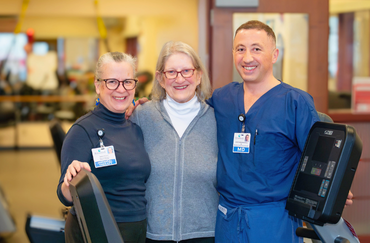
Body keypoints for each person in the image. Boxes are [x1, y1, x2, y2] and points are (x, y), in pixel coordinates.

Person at [207, 20, 353, 243]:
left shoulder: (295, 102)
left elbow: (319, 157)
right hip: (228, 218)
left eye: (256, 49)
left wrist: (336, 188)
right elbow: (189, 115)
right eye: (240, 49)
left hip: (274, 219)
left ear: (274, 55)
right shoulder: (222, 98)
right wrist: (139, 105)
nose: (247, 58)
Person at [56, 52, 151, 243]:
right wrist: (70, 181)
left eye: (127, 82)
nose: (121, 89)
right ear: (98, 86)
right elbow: (64, 196)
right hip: (98, 231)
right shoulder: (82, 131)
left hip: (138, 231)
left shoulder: (136, 128)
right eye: (112, 82)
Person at [129, 41, 219, 243]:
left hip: (205, 235)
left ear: (198, 75)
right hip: (154, 234)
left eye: (187, 71)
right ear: (160, 78)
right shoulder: (142, 116)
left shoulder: (218, 119)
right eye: (171, 72)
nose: (180, 79)